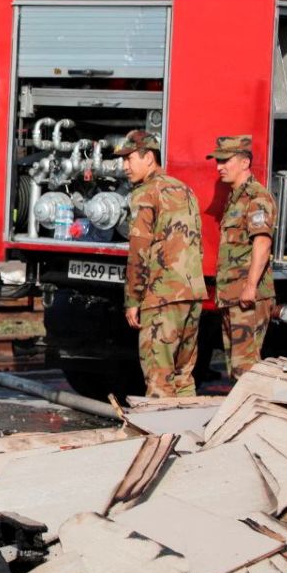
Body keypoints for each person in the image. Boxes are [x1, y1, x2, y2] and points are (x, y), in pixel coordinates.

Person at [117, 130, 208, 398]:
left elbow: (138, 250)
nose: (124, 166)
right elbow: (198, 244)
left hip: (162, 298)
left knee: (159, 379)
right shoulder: (184, 189)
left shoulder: (145, 193)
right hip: (192, 294)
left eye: (129, 158)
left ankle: (162, 437)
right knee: (183, 378)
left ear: (149, 158)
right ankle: (187, 436)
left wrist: (132, 300)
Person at [208, 135, 276, 379]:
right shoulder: (235, 197)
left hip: (247, 297)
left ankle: (251, 415)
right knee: (236, 368)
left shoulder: (256, 197)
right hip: (232, 296)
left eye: (225, 161)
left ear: (245, 162)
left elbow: (262, 242)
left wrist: (249, 287)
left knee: (246, 369)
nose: (219, 167)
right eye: (218, 161)